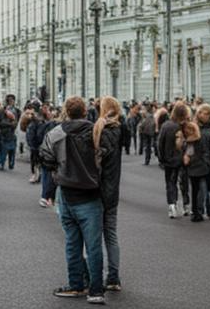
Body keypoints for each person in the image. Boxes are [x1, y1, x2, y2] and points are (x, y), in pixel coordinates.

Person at [40, 96, 105, 305]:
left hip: (67, 193)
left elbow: (45, 158)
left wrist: (59, 173)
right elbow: (106, 159)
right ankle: (96, 290)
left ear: (66, 112)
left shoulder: (55, 133)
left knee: (72, 242)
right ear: (85, 111)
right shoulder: (96, 132)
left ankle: (76, 284)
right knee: (94, 246)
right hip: (92, 195)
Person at [94, 97, 123, 292]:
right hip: (113, 189)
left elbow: (97, 164)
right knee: (111, 235)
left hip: (98, 190)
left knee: (94, 236)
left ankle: (94, 278)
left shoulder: (102, 132)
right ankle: (113, 277)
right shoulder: (120, 129)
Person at [185, 105, 210, 223]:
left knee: (203, 189)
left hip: (205, 164)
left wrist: (209, 163)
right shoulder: (194, 128)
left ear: (209, 115)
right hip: (197, 163)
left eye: (204, 113)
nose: (200, 115)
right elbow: (188, 145)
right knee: (202, 189)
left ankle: (201, 212)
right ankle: (202, 212)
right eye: (199, 113)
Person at [158, 103, 191, 218]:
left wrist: (161, 158)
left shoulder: (166, 126)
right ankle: (186, 205)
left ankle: (172, 205)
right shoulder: (187, 125)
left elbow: (160, 143)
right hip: (183, 158)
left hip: (169, 159)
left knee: (170, 182)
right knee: (184, 182)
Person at [0, 103, 18, 171]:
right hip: (10, 136)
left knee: (2, 151)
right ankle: (10, 164)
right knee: (11, 151)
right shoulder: (12, 117)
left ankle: (2, 164)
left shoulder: (0, 117)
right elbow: (14, 125)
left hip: (3, 136)